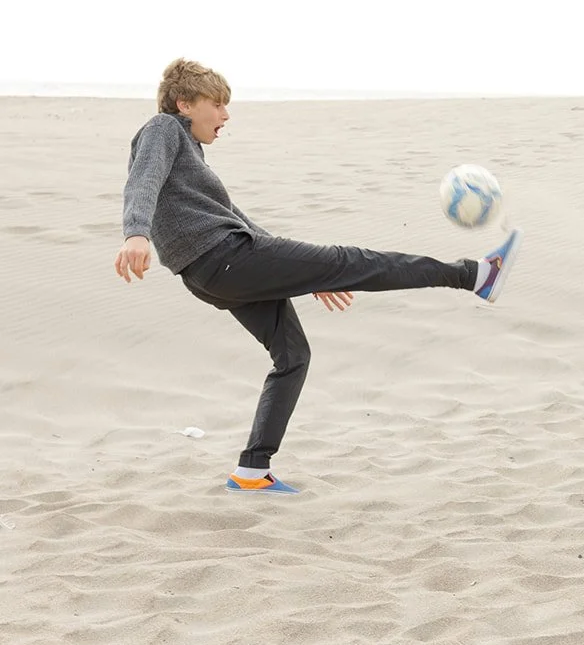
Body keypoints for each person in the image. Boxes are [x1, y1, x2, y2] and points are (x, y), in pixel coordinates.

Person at [115, 58, 522, 493]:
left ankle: (252, 470)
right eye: (217, 104)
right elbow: (143, 181)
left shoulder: (190, 152)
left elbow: (238, 220)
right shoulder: (163, 129)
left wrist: (304, 274)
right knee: (353, 260)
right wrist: (136, 233)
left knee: (292, 356)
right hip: (224, 258)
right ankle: (473, 275)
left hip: (215, 271)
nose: (226, 115)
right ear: (184, 103)